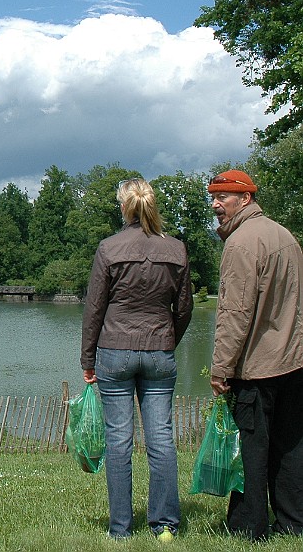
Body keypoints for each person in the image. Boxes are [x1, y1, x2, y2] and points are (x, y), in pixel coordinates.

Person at [81, 178, 193, 541]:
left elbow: (94, 308)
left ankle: (121, 529)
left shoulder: (109, 248)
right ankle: (164, 524)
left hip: (114, 351)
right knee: (161, 438)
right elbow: (185, 307)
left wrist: (88, 358)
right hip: (159, 351)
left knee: (119, 440)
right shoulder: (176, 250)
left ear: (124, 207)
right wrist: (168, 339)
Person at [207, 169, 303, 541]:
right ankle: (293, 523)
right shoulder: (286, 236)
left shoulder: (242, 243)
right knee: (291, 446)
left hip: (257, 367)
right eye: (213, 197)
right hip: (293, 363)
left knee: (252, 449)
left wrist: (221, 369)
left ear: (245, 198)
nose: (216, 204)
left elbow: (235, 313)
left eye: (223, 197)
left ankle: (250, 528)